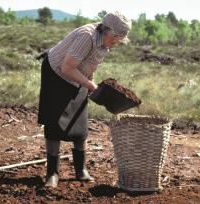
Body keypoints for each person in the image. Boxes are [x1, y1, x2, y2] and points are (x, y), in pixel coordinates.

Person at [37, 11, 131, 188]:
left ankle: (80, 170)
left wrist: (92, 84)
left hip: (78, 76)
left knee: (80, 124)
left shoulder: (105, 42)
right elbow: (67, 68)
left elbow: (90, 64)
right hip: (56, 74)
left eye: (120, 39)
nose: (117, 42)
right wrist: (91, 86)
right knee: (54, 121)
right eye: (117, 38)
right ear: (107, 31)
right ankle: (52, 174)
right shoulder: (86, 37)